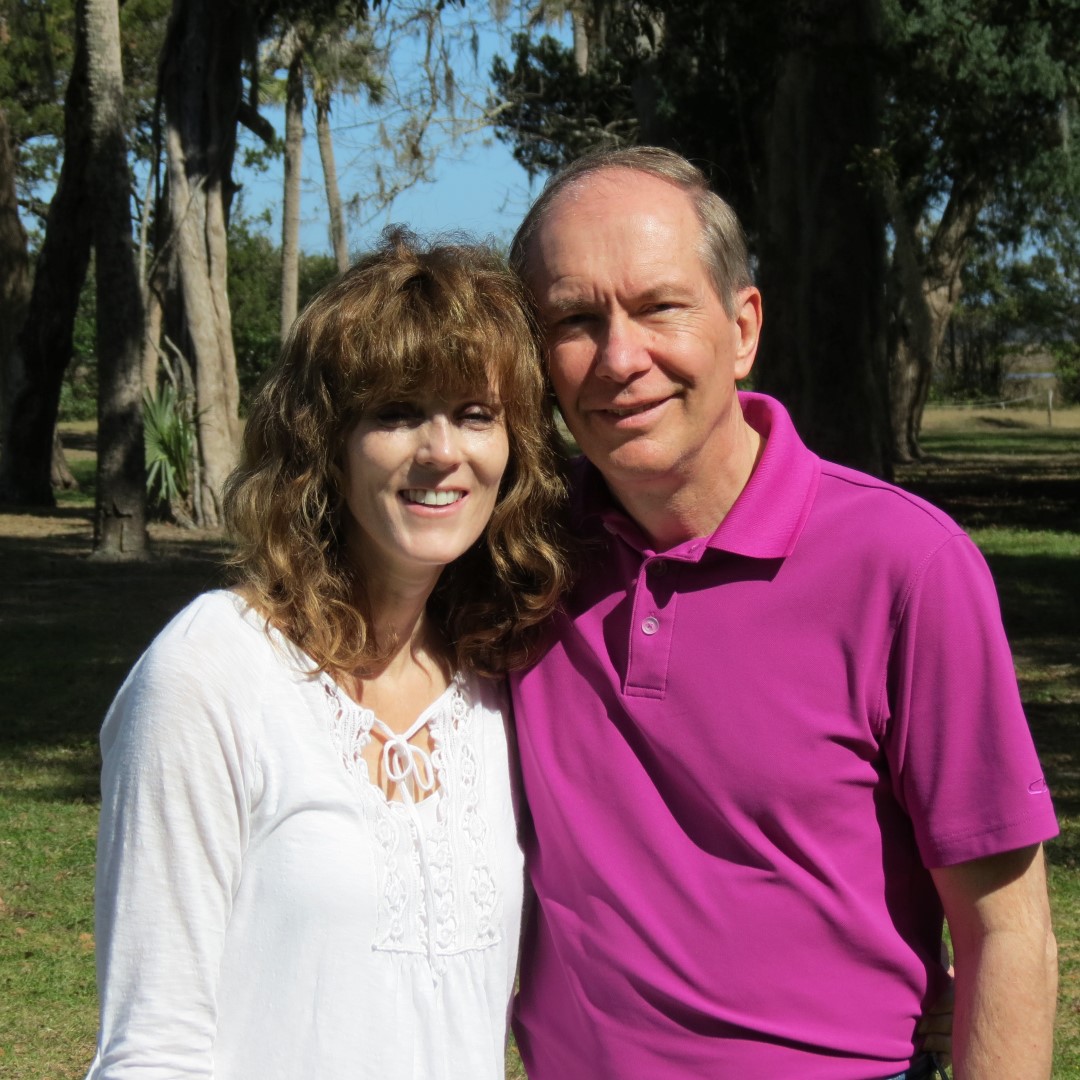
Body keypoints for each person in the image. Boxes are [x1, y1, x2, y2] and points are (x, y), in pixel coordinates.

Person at [507, 147, 1059, 1080]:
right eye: (573, 319)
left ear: (743, 326)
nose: (619, 357)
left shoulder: (905, 566)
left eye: (659, 307)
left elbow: (1008, 930)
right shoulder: (516, 556)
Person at [84, 229, 570, 1080]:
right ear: (325, 445)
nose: (441, 452)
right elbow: (150, 1046)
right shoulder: (210, 674)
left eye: (475, 414)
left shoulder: (496, 685)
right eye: (395, 413)